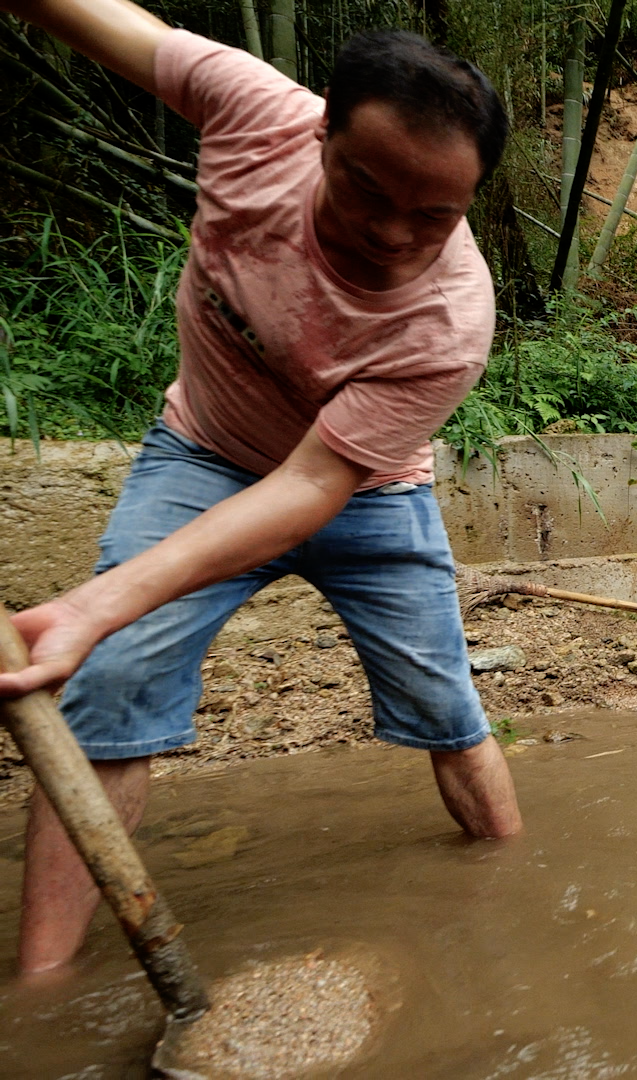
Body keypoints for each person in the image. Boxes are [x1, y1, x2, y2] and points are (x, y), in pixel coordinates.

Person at [0, 0, 523, 975]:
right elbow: (96, 18)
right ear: (320, 131)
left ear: (470, 201)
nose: (393, 232)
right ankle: (39, 988)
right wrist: (101, 624)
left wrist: (92, 602)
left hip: (366, 494)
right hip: (202, 453)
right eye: (367, 188)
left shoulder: (452, 316)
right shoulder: (252, 112)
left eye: (435, 213)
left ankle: (511, 903)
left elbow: (318, 482)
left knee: (449, 715)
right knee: (106, 690)